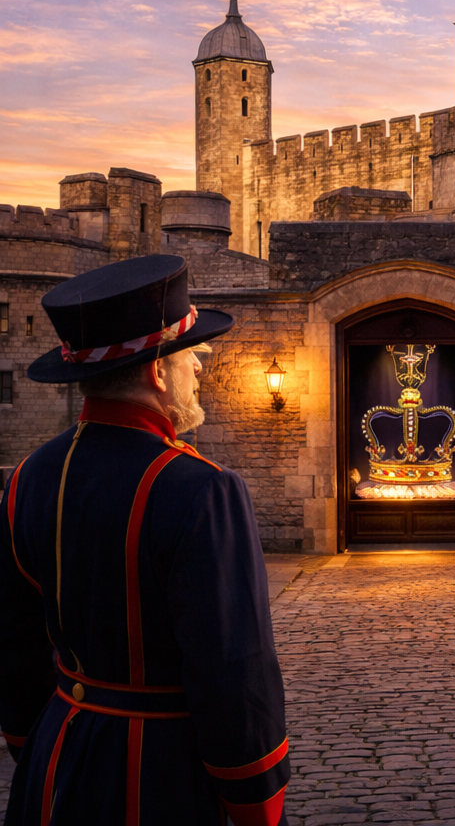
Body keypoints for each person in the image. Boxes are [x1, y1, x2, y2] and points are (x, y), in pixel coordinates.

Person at [0, 255, 290, 825]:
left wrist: (34, 743)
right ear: (158, 373)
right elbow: (233, 669)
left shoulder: (26, 478)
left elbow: (16, 645)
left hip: (55, 761)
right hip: (159, 772)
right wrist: (257, 796)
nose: (200, 373)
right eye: (192, 359)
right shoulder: (201, 489)